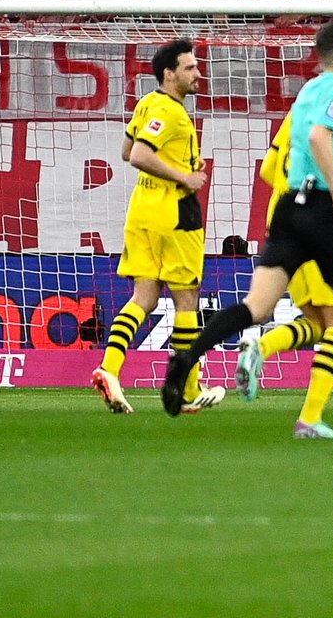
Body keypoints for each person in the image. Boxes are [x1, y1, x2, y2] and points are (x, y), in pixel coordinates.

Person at [162, 22, 333, 439]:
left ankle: (186, 359)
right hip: (321, 209)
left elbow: (305, 139)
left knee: (257, 308)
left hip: (287, 207)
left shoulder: (310, 90)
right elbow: (320, 137)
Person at [234, 93, 333, 439]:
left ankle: (261, 347)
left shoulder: (294, 116)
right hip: (315, 231)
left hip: (283, 230)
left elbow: (265, 170)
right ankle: (309, 417)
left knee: (319, 324)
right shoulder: (328, 121)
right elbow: (332, 181)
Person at [89, 40, 226, 416]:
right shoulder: (171, 112)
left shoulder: (148, 103)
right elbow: (138, 154)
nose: (198, 74)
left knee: (144, 298)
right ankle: (188, 388)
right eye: (190, 68)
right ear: (170, 74)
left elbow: (125, 147)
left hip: (143, 210)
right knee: (187, 298)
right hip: (174, 211)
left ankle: (109, 369)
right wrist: (184, 175)